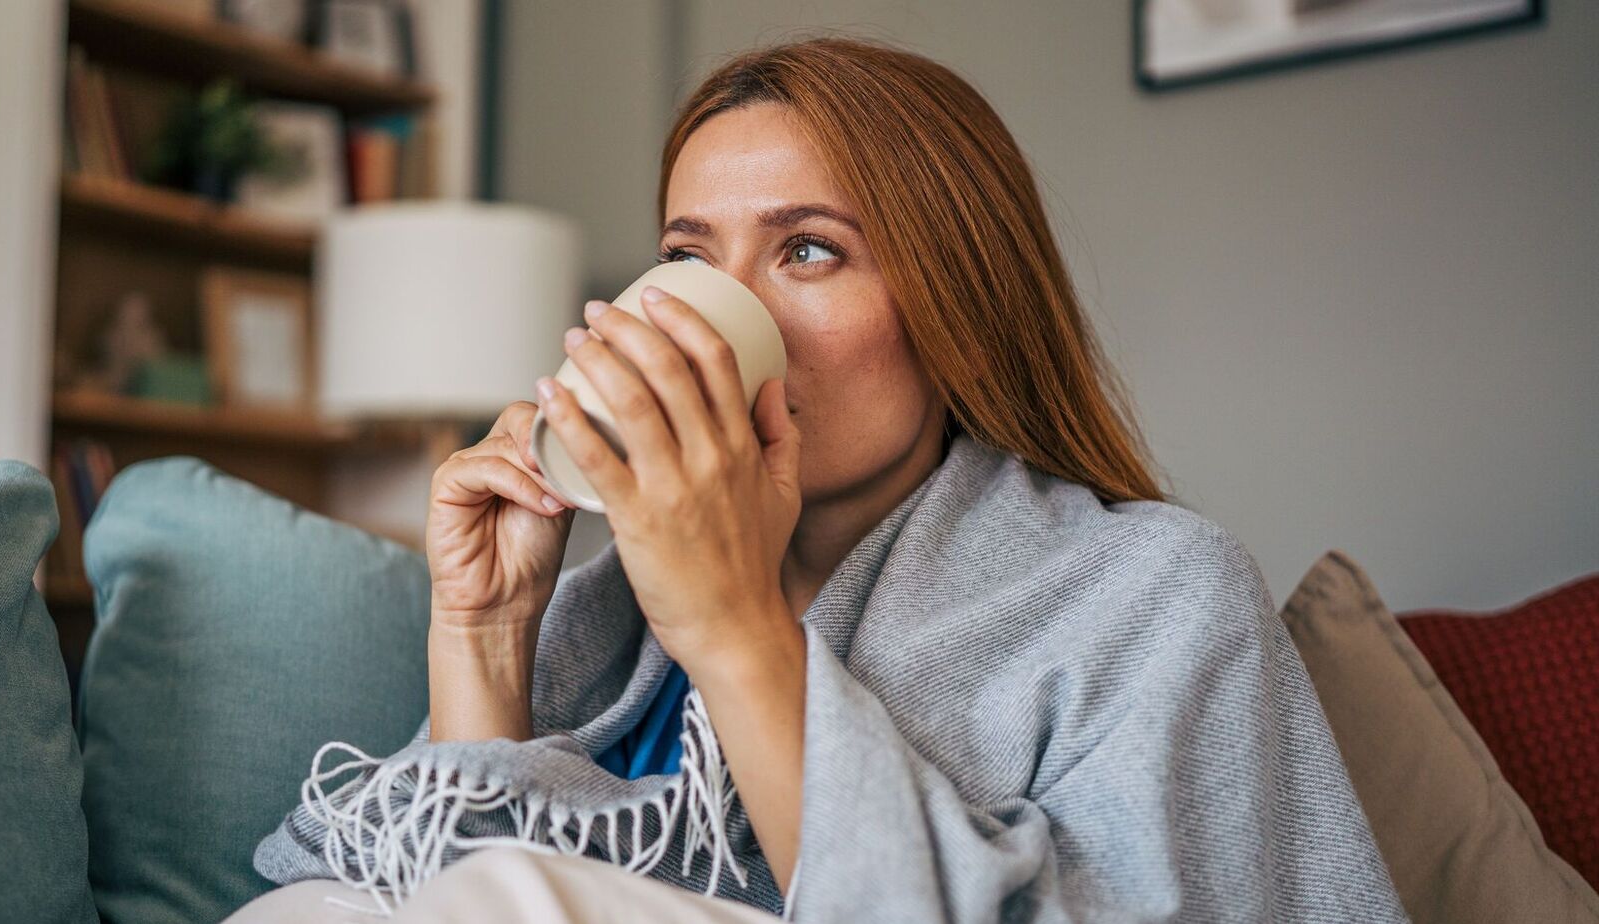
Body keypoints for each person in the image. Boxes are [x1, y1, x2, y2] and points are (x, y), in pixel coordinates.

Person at [235, 35, 1408, 923]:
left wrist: (733, 625)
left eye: (808, 250)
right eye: (688, 256)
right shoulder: (609, 620)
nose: (717, 316)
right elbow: (397, 875)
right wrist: (487, 641)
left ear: (961, 322)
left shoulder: (1154, 591)